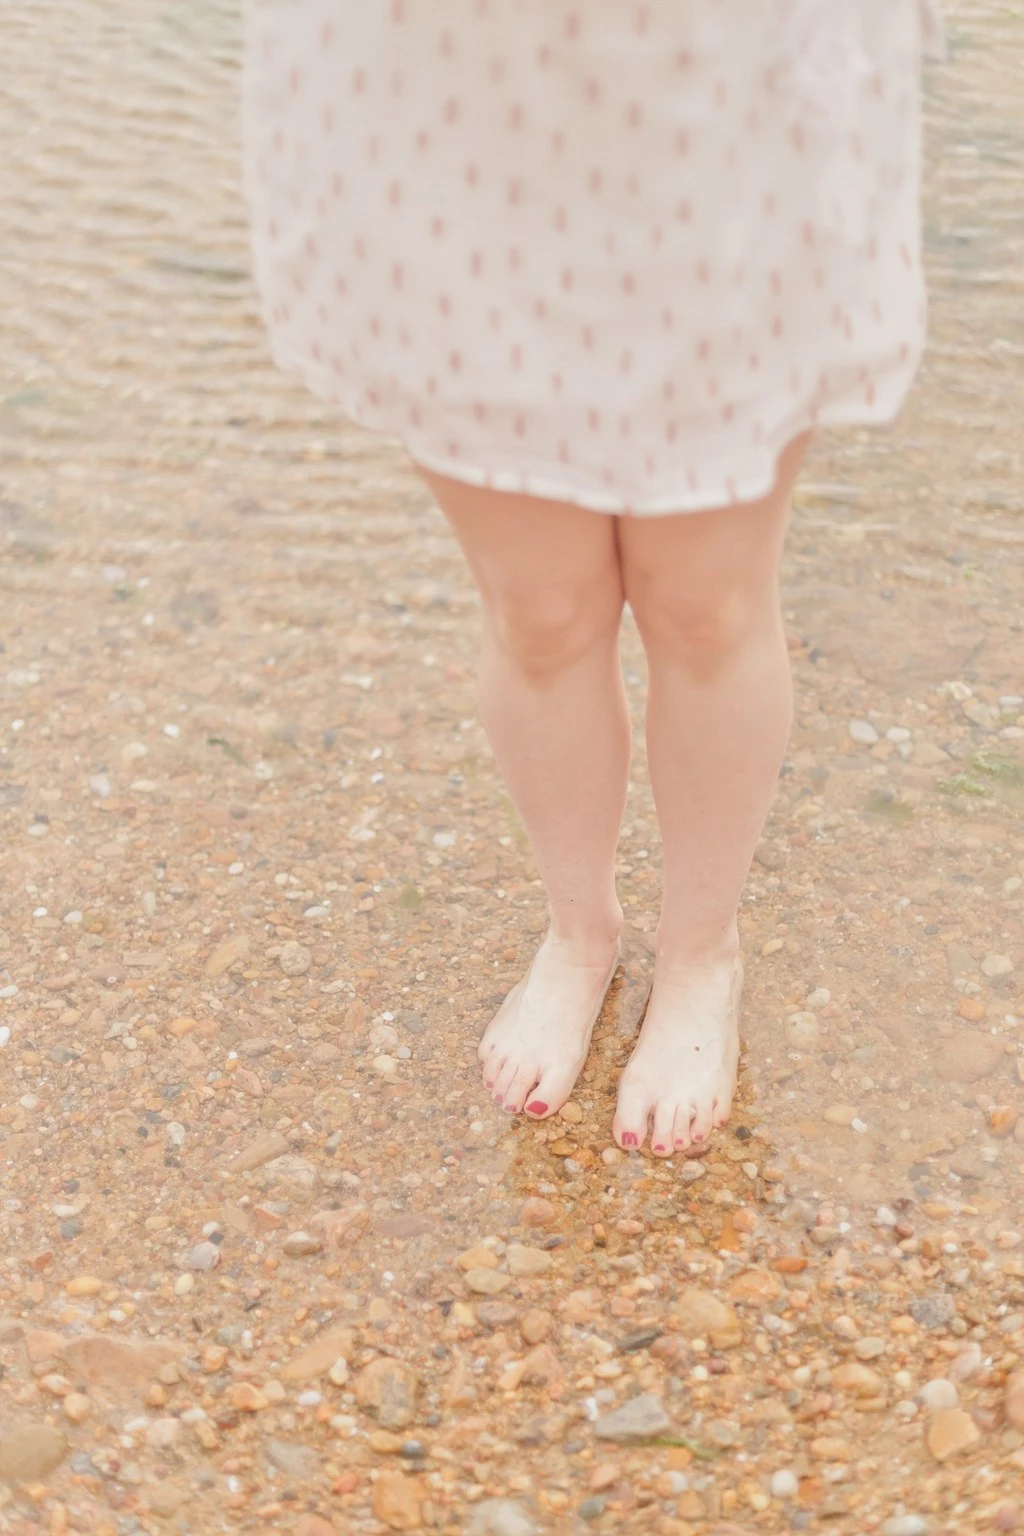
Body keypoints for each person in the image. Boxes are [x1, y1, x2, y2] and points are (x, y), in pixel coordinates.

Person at [241, 1, 941, 1155]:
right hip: (444, 102)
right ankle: (579, 931)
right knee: (540, 610)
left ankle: (701, 950)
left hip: (726, 88)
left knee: (706, 605)